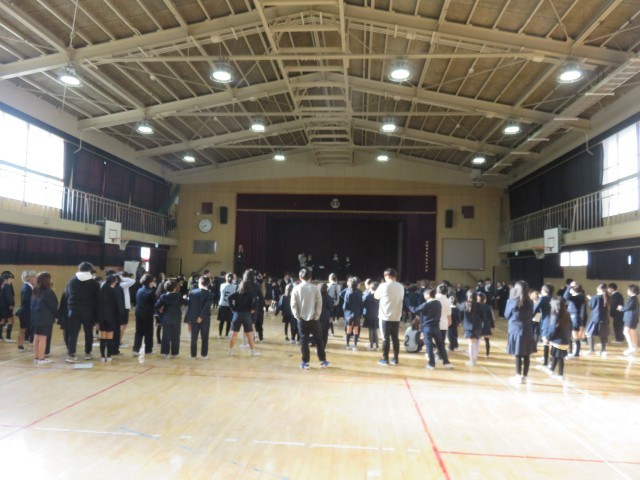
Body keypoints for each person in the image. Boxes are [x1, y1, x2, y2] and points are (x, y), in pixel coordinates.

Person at [291, 268, 329, 369]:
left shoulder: (296, 288)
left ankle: (305, 362)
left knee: (304, 341)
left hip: (301, 320)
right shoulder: (315, 288)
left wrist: (297, 317)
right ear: (311, 278)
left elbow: (293, 305)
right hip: (314, 319)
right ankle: (323, 361)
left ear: (300, 277)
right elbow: (319, 304)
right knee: (319, 340)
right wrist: (316, 316)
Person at [65, 262, 100, 363]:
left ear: (79, 269)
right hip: (88, 311)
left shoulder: (72, 281)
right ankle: (88, 353)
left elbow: (67, 295)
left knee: (73, 333)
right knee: (88, 333)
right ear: (90, 270)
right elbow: (97, 299)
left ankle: (71, 354)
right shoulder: (94, 283)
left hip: (73, 310)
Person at [410, 288, 452, 369]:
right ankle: (446, 362)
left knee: (429, 346)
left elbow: (415, 310)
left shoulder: (426, 304)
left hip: (427, 328)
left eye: (424, 294)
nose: (423, 295)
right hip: (436, 327)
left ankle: (431, 364)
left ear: (428, 295)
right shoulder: (438, 303)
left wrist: (408, 304)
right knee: (441, 346)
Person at [505, 280, 537, 384]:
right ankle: (524, 377)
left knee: (518, 354)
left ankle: (518, 376)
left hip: (515, 329)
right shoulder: (530, 302)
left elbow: (506, 315)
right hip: (527, 329)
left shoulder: (512, 301)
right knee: (526, 354)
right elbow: (531, 314)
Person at [227, 270, 262, 357]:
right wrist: (253, 308)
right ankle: (253, 352)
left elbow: (229, 298)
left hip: (237, 315)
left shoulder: (237, 293)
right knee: (249, 335)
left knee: (234, 334)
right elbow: (256, 300)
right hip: (247, 315)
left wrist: (232, 308)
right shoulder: (251, 294)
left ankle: (230, 351)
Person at [374, 268, 404, 366]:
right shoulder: (401, 286)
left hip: (385, 316)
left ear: (386, 276)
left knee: (385, 338)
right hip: (396, 316)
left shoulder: (383, 285)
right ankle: (395, 359)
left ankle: (385, 359)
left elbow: (376, 296)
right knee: (395, 338)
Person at [30, 272, 58, 364]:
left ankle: (37, 357)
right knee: (43, 338)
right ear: (47, 280)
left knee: (36, 338)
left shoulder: (35, 290)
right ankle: (41, 358)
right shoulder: (48, 292)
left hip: (35, 317)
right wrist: (57, 316)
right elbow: (53, 305)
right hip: (45, 318)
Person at [155, 279, 187, 358]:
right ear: (175, 289)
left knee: (166, 335)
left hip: (166, 318)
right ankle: (174, 353)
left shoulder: (163, 296)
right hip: (176, 318)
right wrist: (185, 298)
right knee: (176, 335)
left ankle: (165, 353)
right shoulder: (178, 295)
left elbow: (156, 306)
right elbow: (186, 303)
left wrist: (160, 313)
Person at [185, 276, 213, 360]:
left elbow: (189, 305)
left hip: (194, 317)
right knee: (205, 337)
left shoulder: (192, 292)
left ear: (199, 282)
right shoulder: (210, 294)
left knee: (194, 337)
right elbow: (206, 307)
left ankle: (193, 355)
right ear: (208, 284)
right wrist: (201, 316)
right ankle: (204, 355)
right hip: (205, 318)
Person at [97, 274, 123, 363]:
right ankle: (108, 356)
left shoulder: (101, 291)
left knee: (102, 338)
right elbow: (118, 305)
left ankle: (102, 356)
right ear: (113, 282)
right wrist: (120, 315)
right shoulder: (114, 291)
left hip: (101, 317)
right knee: (109, 338)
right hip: (111, 317)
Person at [547, 296, 572, 379]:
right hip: (565, 339)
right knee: (556, 355)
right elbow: (570, 327)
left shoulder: (555, 315)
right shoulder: (567, 314)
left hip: (557, 340)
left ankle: (560, 374)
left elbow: (552, 329)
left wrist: (548, 338)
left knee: (559, 357)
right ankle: (551, 369)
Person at [133, 274, 156, 356]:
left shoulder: (139, 290)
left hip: (139, 313)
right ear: (150, 282)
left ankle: (136, 349)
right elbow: (155, 303)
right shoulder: (151, 292)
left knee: (139, 331)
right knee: (148, 332)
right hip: (148, 314)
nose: (153, 283)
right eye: (153, 281)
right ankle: (148, 350)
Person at [585, 283, 610, 357]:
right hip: (604, 317)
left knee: (589, 333)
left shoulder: (595, 297)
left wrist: (590, 299)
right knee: (603, 334)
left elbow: (592, 306)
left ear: (598, 289)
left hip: (595, 318)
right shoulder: (608, 297)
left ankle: (591, 350)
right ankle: (603, 350)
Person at [563, 281, 586, 358]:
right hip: (571, 316)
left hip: (574, 317)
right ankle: (570, 351)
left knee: (575, 335)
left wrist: (570, 286)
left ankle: (576, 352)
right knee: (569, 334)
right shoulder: (577, 296)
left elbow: (565, 296)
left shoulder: (579, 296)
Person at [461, 289, 483, 366]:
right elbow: (483, 316)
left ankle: (471, 361)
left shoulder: (463, 304)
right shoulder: (479, 305)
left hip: (468, 326)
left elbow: (460, 315)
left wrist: (463, 322)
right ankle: (474, 359)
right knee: (477, 342)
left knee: (470, 344)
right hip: (478, 326)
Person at [16, 270, 37, 352]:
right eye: (34, 277)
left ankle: (29, 345)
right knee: (23, 329)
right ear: (29, 278)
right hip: (26, 312)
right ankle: (20, 346)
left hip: (28, 311)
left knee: (28, 329)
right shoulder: (26, 287)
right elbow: (26, 301)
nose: (35, 278)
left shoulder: (30, 287)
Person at [534, 284, 553, 368]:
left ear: (544, 291)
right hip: (555, 322)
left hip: (546, 322)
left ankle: (545, 361)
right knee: (552, 342)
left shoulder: (542, 298)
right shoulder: (555, 298)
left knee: (546, 341)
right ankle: (552, 358)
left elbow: (535, 310)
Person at [343, 276, 363, 351]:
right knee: (356, 330)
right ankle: (355, 345)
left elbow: (345, 306)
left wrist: (345, 311)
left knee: (349, 330)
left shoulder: (348, 293)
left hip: (349, 314)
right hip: (357, 314)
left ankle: (347, 345)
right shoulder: (359, 294)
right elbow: (361, 305)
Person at [618, 284, 639, 355]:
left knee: (626, 332)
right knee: (632, 332)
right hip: (634, 318)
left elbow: (627, 308)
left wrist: (621, 308)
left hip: (630, 318)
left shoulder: (631, 299)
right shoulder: (636, 299)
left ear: (631, 290)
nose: (627, 291)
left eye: (628, 289)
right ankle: (634, 347)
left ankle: (631, 347)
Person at [217, 273, 236, 338]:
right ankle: (223, 334)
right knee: (226, 321)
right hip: (226, 305)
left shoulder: (223, 285)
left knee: (226, 321)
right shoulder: (234, 286)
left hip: (225, 305)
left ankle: (223, 334)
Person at [362, 280, 380, 351]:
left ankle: (371, 345)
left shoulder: (368, 296)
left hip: (369, 315)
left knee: (370, 330)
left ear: (371, 288)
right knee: (375, 330)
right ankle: (377, 346)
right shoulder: (379, 297)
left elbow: (364, 305)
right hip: (377, 315)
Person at [477, 292, 494, 358]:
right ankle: (487, 354)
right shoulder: (488, 307)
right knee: (487, 340)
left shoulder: (476, 306)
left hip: (478, 325)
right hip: (486, 325)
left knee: (477, 340)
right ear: (485, 299)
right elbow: (491, 317)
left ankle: (476, 353)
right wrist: (492, 326)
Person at [0, 272, 16, 342]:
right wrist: (12, 304)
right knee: (11, 321)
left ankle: (0, 337)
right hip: (7, 306)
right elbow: (10, 297)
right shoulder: (7, 286)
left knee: (2, 320)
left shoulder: (2, 286)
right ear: (7, 279)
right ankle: (8, 337)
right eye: (11, 278)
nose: (12, 280)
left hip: (1, 306)